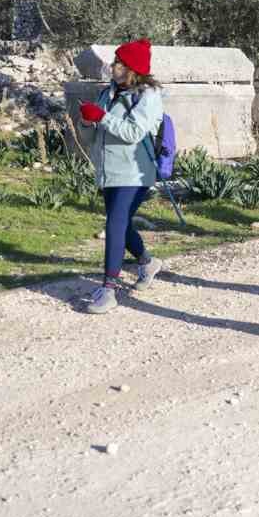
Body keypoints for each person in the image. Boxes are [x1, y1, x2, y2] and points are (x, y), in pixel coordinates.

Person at [76, 39, 165, 314]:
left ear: (132, 69)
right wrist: (86, 121)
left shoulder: (148, 96)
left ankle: (109, 290)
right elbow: (92, 137)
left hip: (135, 172)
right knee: (122, 226)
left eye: (118, 62)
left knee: (114, 224)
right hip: (108, 171)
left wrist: (102, 117)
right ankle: (147, 262)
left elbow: (133, 133)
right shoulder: (107, 93)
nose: (112, 66)